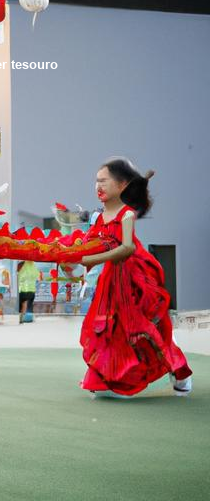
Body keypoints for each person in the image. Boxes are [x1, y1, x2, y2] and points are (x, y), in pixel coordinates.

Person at [79, 157, 192, 397]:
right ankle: (104, 377)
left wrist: (93, 260)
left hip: (135, 276)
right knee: (108, 327)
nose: (98, 186)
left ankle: (177, 370)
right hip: (111, 278)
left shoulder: (126, 214)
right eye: (96, 181)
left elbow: (127, 248)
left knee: (144, 328)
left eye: (103, 181)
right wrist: (68, 255)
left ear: (122, 185)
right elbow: (89, 245)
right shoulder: (99, 217)